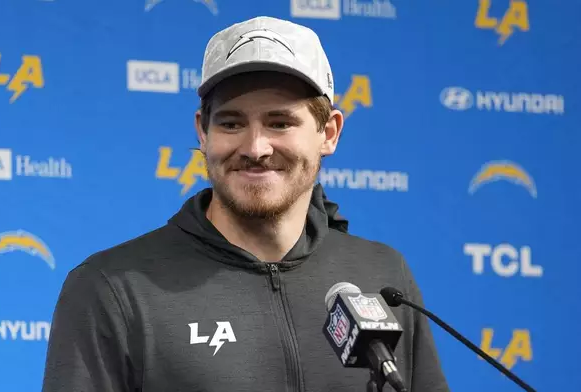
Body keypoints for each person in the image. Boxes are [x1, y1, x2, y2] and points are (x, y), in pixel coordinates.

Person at [41, 16, 450, 392]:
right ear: (203, 132)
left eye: (279, 122)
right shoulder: (114, 287)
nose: (255, 148)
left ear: (329, 133)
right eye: (232, 123)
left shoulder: (382, 278)